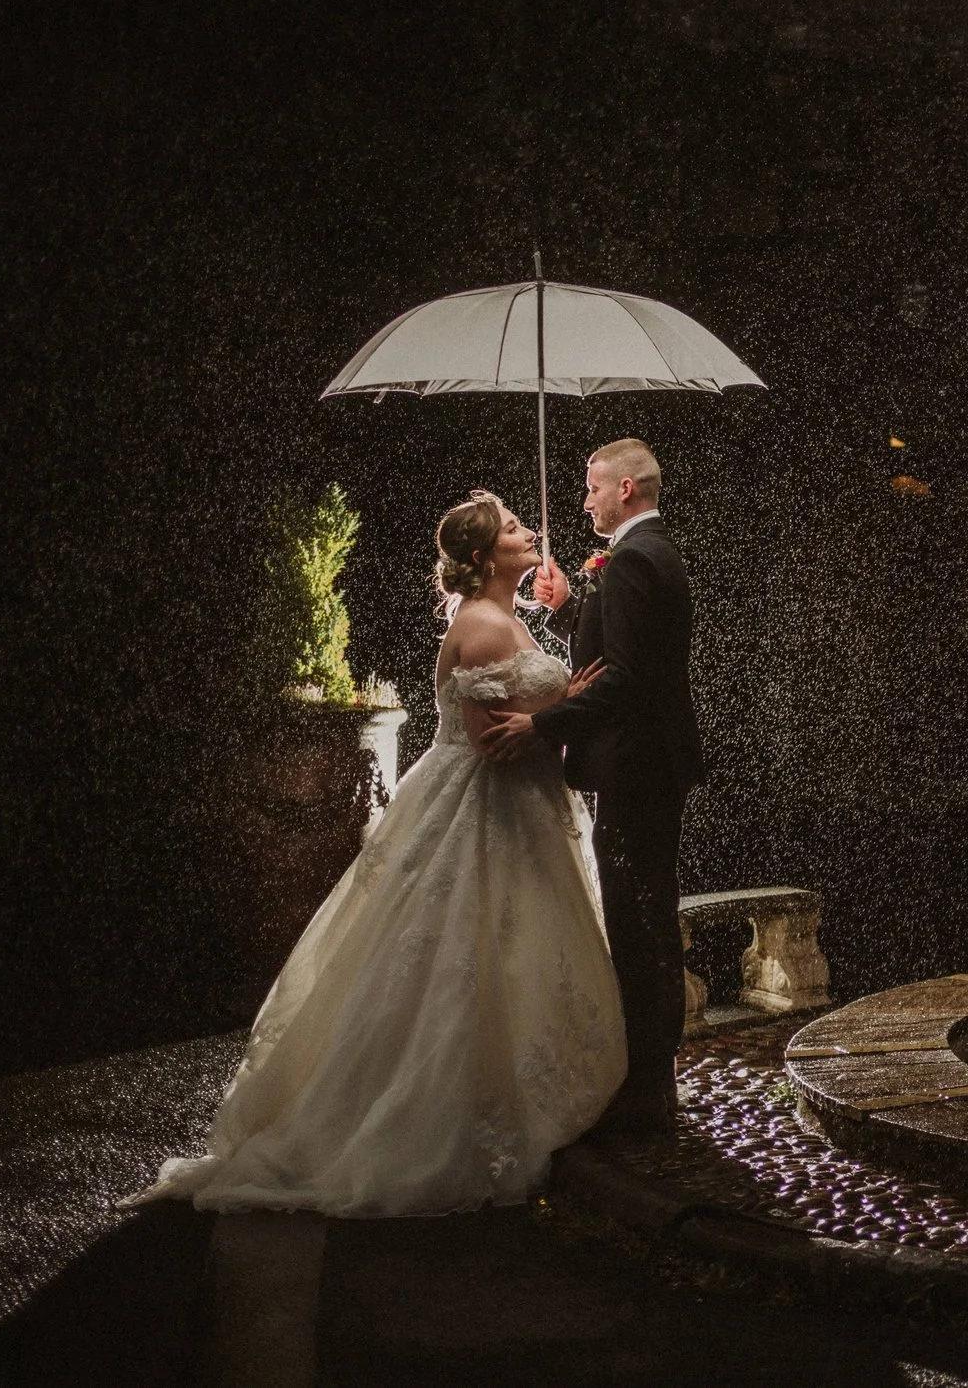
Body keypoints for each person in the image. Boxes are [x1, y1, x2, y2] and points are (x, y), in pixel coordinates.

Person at [127, 493, 623, 1215]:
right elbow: (493, 743)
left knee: (513, 952)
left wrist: (562, 680)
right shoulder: (483, 625)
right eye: (515, 528)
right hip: (486, 815)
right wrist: (564, 704)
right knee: (470, 955)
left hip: (523, 814)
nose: (531, 532)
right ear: (485, 557)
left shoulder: (507, 615)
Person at [483, 438, 705, 1137]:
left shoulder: (636, 559)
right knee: (645, 915)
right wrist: (570, 606)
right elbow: (614, 650)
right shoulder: (645, 554)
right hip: (647, 767)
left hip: (637, 768)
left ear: (628, 492)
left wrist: (543, 726)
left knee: (640, 925)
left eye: (594, 488)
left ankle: (648, 1085)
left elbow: (627, 681)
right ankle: (651, 1076)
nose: (584, 502)